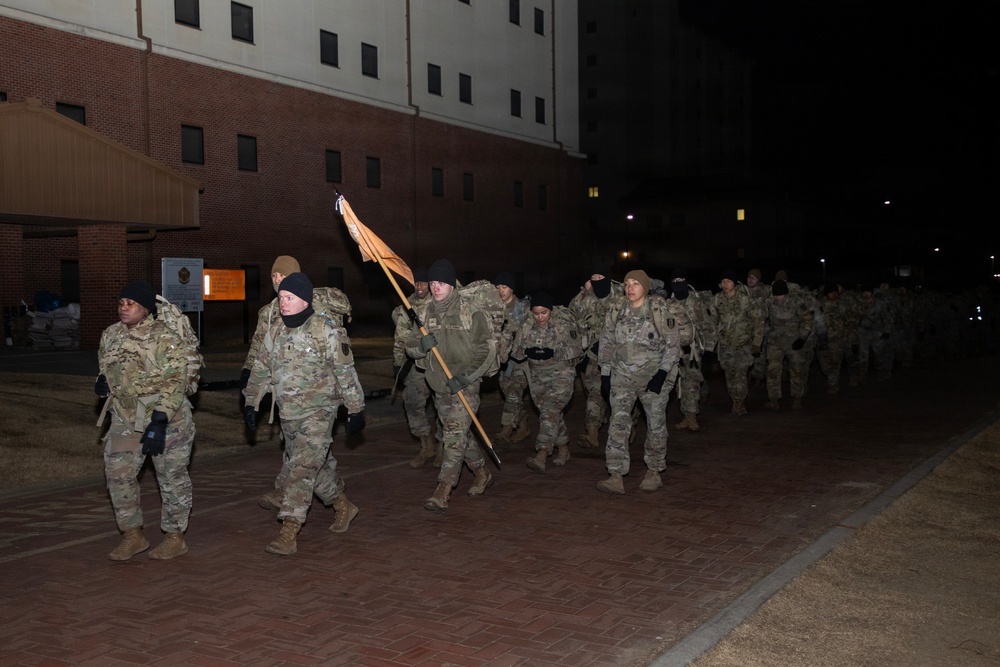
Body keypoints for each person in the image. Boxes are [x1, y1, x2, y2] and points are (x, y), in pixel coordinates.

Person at [243, 273, 366, 555]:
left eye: (289, 298)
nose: (282, 303)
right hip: (288, 413)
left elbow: (345, 372)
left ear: (304, 300)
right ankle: (343, 506)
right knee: (314, 467)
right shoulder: (275, 330)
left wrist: (355, 408)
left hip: (319, 412)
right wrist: (252, 402)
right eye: (281, 298)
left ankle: (289, 530)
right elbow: (261, 368)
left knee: (300, 471)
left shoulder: (326, 330)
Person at [96, 279, 196, 561]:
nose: (123, 309)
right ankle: (133, 535)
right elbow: (106, 366)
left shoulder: (163, 337)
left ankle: (175, 537)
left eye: (131, 304)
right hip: (126, 418)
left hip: (167, 419)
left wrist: (160, 420)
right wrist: (101, 381)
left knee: (171, 478)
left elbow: (177, 380)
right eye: (121, 303)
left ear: (145, 309)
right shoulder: (111, 334)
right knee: (118, 475)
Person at [405, 259, 498, 512]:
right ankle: (481, 472)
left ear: (452, 285)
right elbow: (410, 346)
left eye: (441, 283)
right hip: (438, 384)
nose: (435, 288)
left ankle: (443, 489)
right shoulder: (424, 313)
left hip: (465, 383)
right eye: (433, 283)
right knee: (461, 435)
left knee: (453, 437)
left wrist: (467, 377)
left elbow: (486, 349)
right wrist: (419, 347)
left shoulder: (471, 310)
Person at [597, 270, 688, 494]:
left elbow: (673, 345)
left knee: (655, 426)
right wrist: (606, 374)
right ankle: (616, 474)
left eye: (636, 283)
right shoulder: (616, 309)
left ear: (645, 287)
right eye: (627, 283)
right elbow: (606, 341)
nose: (630, 287)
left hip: (653, 379)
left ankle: (654, 471)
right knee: (618, 425)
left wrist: (661, 374)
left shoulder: (659, 309)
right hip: (622, 377)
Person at [242, 255, 300, 512]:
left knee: (306, 451)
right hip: (280, 386)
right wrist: (248, 375)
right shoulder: (267, 313)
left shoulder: (310, 305)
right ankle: (338, 500)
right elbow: (258, 346)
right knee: (297, 446)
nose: (277, 280)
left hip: (308, 390)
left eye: (283, 276)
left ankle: (285, 494)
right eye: (274, 276)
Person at [513, 292, 581, 473]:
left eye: (544, 313)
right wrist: (528, 352)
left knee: (549, 410)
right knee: (550, 414)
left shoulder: (564, 324)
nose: (540, 317)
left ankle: (542, 454)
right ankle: (564, 447)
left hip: (561, 374)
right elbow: (515, 351)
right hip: (537, 376)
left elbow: (577, 349)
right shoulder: (526, 325)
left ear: (550, 310)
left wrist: (553, 353)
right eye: (536, 313)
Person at [391, 267, 441, 468]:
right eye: (416, 283)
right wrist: (397, 362)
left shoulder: (438, 302)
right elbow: (400, 336)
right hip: (415, 364)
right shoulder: (407, 305)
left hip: (438, 363)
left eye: (423, 282)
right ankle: (426, 445)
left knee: (443, 406)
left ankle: (444, 446)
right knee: (412, 402)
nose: (419, 286)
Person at [568, 266, 620, 449]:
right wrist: (577, 353)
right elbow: (571, 324)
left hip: (618, 356)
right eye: (593, 277)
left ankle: (629, 425)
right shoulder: (582, 299)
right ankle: (592, 432)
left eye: (601, 276)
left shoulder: (622, 296)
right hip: (590, 357)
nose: (597, 280)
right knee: (595, 392)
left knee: (620, 395)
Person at [668, 268, 717, 431]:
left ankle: (692, 416)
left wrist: (710, 348)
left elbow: (707, 325)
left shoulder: (696, 302)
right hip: (675, 350)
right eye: (674, 281)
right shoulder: (669, 304)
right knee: (680, 383)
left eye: (681, 281)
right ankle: (685, 415)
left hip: (695, 349)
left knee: (692, 381)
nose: (678, 284)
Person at [713, 270, 764, 416]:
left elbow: (758, 321)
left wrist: (757, 342)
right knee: (730, 374)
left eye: (728, 281)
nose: (725, 284)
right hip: (725, 345)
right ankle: (735, 399)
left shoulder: (745, 300)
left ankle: (739, 402)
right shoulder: (717, 300)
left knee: (740, 374)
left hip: (743, 344)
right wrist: (713, 342)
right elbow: (712, 322)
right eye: (723, 281)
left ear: (734, 283)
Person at [761, 279, 814, 410]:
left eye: (781, 295)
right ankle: (773, 400)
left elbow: (807, 321)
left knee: (797, 370)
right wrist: (766, 333)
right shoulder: (768, 303)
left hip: (793, 342)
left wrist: (802, 338)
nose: (778, 298)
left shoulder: (797, 303)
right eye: (776, 295)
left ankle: (797, 398)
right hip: (775, 342)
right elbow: (762, 320)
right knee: (772, 371)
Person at [494, 272, 533, 448]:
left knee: (513, 392)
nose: (500, 291)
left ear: (512, 288)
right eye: (498, 287)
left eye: (504, 287)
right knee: (510, 394)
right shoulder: (494, 308)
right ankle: (523, 427)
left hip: (521, 360)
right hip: (503, 361)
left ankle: (506, 430)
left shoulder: (523, 308)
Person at [746, 268, 771, 387]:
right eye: (749, 277)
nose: (751, 279)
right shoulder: (743, 291)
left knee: (760, 354)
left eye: (754, 277)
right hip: (746, 329)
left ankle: (758, 376)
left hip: (761, 328)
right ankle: (748, 375)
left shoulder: (764, 291)